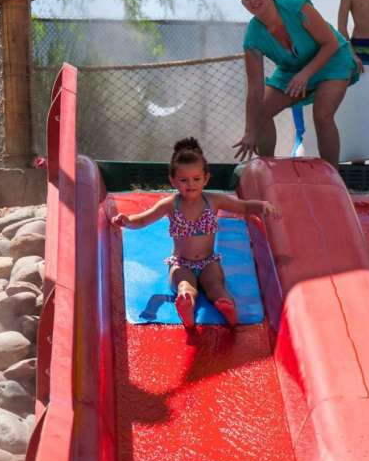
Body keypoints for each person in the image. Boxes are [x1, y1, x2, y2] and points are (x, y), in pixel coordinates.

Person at [111, 138, 278, 328]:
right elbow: (142, 220)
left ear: (206, 178)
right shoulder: (170, 204)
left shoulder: (213, 201)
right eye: (183, 180)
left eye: (196, 179)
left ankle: (226, 306)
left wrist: (263, 206)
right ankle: (186, 304)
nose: (190, 184)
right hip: (181, 263)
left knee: (216, 286)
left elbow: (243, 206)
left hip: (208, 262)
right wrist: (126, 221)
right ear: (172, 180)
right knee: (185, 286)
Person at [233, 0, 360, 167]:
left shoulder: (295, 5)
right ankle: (268, 168)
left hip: (332, 59)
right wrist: (250, 132)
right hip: (292, 70)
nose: (253, 0)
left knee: (322, 115)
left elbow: (330, 43)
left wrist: (305, 74)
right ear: (243, 4)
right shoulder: (252, 37)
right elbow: (255, 89)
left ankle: (333, 176)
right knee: (260, 112)